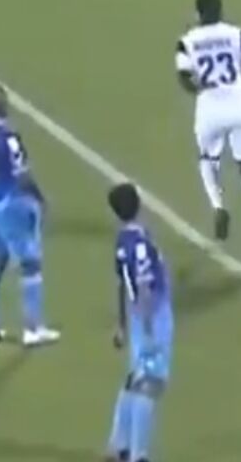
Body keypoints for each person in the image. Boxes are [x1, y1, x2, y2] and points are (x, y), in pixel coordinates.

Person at [175, 0, 241, 259]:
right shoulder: (236, 34)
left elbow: (184, 77)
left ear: (198, 13)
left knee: (207, 159)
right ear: (220, 10)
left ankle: (218, 206)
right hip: (239, 107)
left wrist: (197, 88)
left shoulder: (187, 41)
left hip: (209, 109)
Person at [0, 85, 60, 347]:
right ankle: (32, 328)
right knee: (30, 264)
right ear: (4, 108)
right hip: (11, 205)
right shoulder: (8, 137)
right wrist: (40, 199)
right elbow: (22, 174)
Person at [106, 183, 174, 462]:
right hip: (152, 316)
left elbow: (122, 285)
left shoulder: (123, 241)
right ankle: (138, 455)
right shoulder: (141, 245)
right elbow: (144, 286)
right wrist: (147, 328)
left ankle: (117, 445)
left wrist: (122, 324)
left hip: (136, 315)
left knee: (135, 378)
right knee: (150, 383)